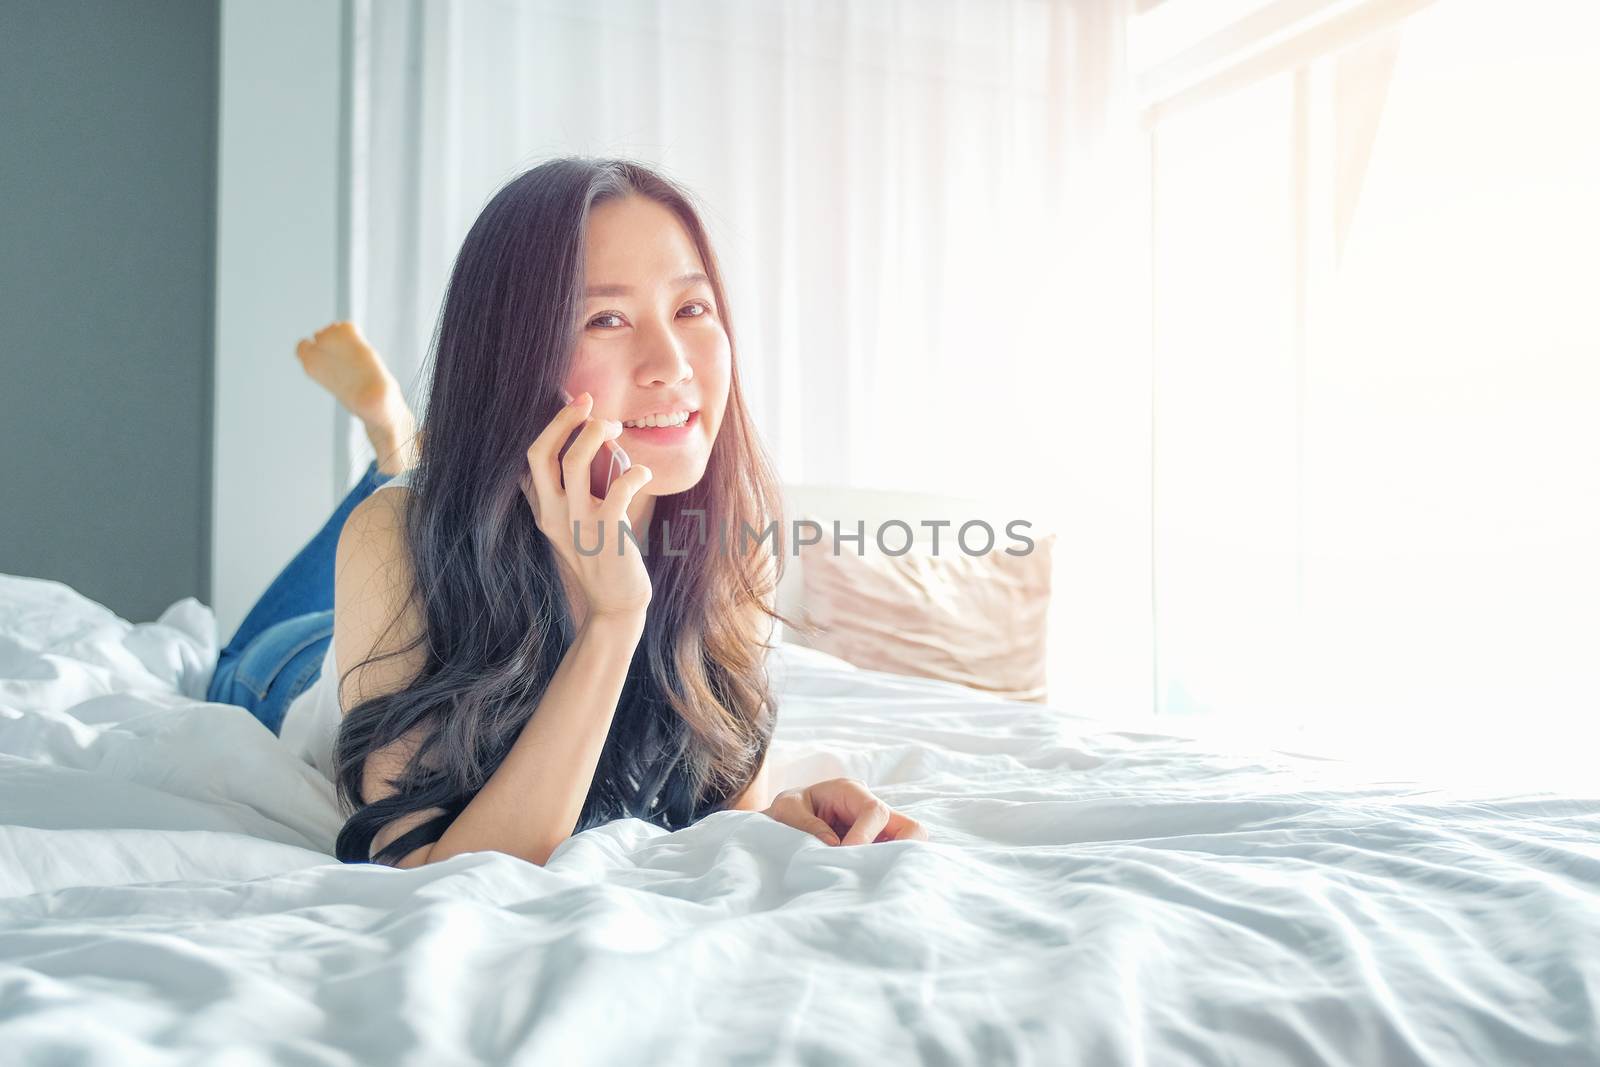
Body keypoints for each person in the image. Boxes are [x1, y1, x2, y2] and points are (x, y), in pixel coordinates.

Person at [210, 157, 928, 869]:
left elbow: (722, 796)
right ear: (513, 358)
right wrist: (614, 621)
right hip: (296, 671)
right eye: (606, 318)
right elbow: (418, 870)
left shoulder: (730, 543)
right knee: (237, 658)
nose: (670, 362)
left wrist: (787, 816)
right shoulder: (394, 539)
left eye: (691, 308)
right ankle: (393, 449)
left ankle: (396, 443)